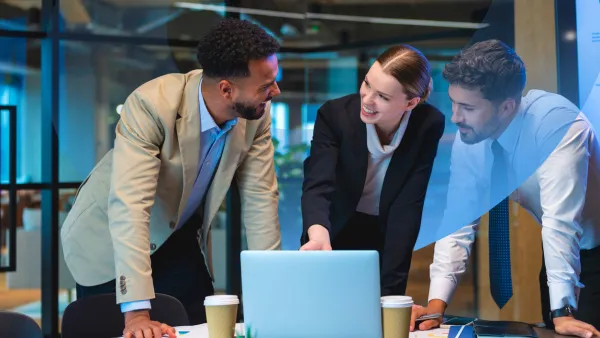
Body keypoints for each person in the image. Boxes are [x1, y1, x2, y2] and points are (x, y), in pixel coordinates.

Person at [61, 19, 282, 338]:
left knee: (199, 324)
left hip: (177, 233)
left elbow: (261, 202)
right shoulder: (151, 104)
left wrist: (272, 297)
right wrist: (137, 314)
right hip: (110, 241)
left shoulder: (255, 115)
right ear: (226, 89)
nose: (275, 91)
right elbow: (130, 207)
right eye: (266, 85)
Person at [410, 40, 600, 338]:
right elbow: (458, 219)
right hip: (564, 255)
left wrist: (562, 310)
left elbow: (560, 224)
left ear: (507, 107)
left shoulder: (558, 126)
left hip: (587, 247)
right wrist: (437, 305)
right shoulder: (469, 135)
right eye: (454, 103)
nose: (456, 117)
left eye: (468, 107)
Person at [300, 44, 446, 296]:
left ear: (410, 102)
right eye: (367, 84)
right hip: (330, 228)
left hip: (384, 229)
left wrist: (391, 296)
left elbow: (408, 205)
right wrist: (318, 233)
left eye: (383, 96)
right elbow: (318, 183)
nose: (367, 100)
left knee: (378, 310)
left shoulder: (427, 124)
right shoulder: (335, 116)